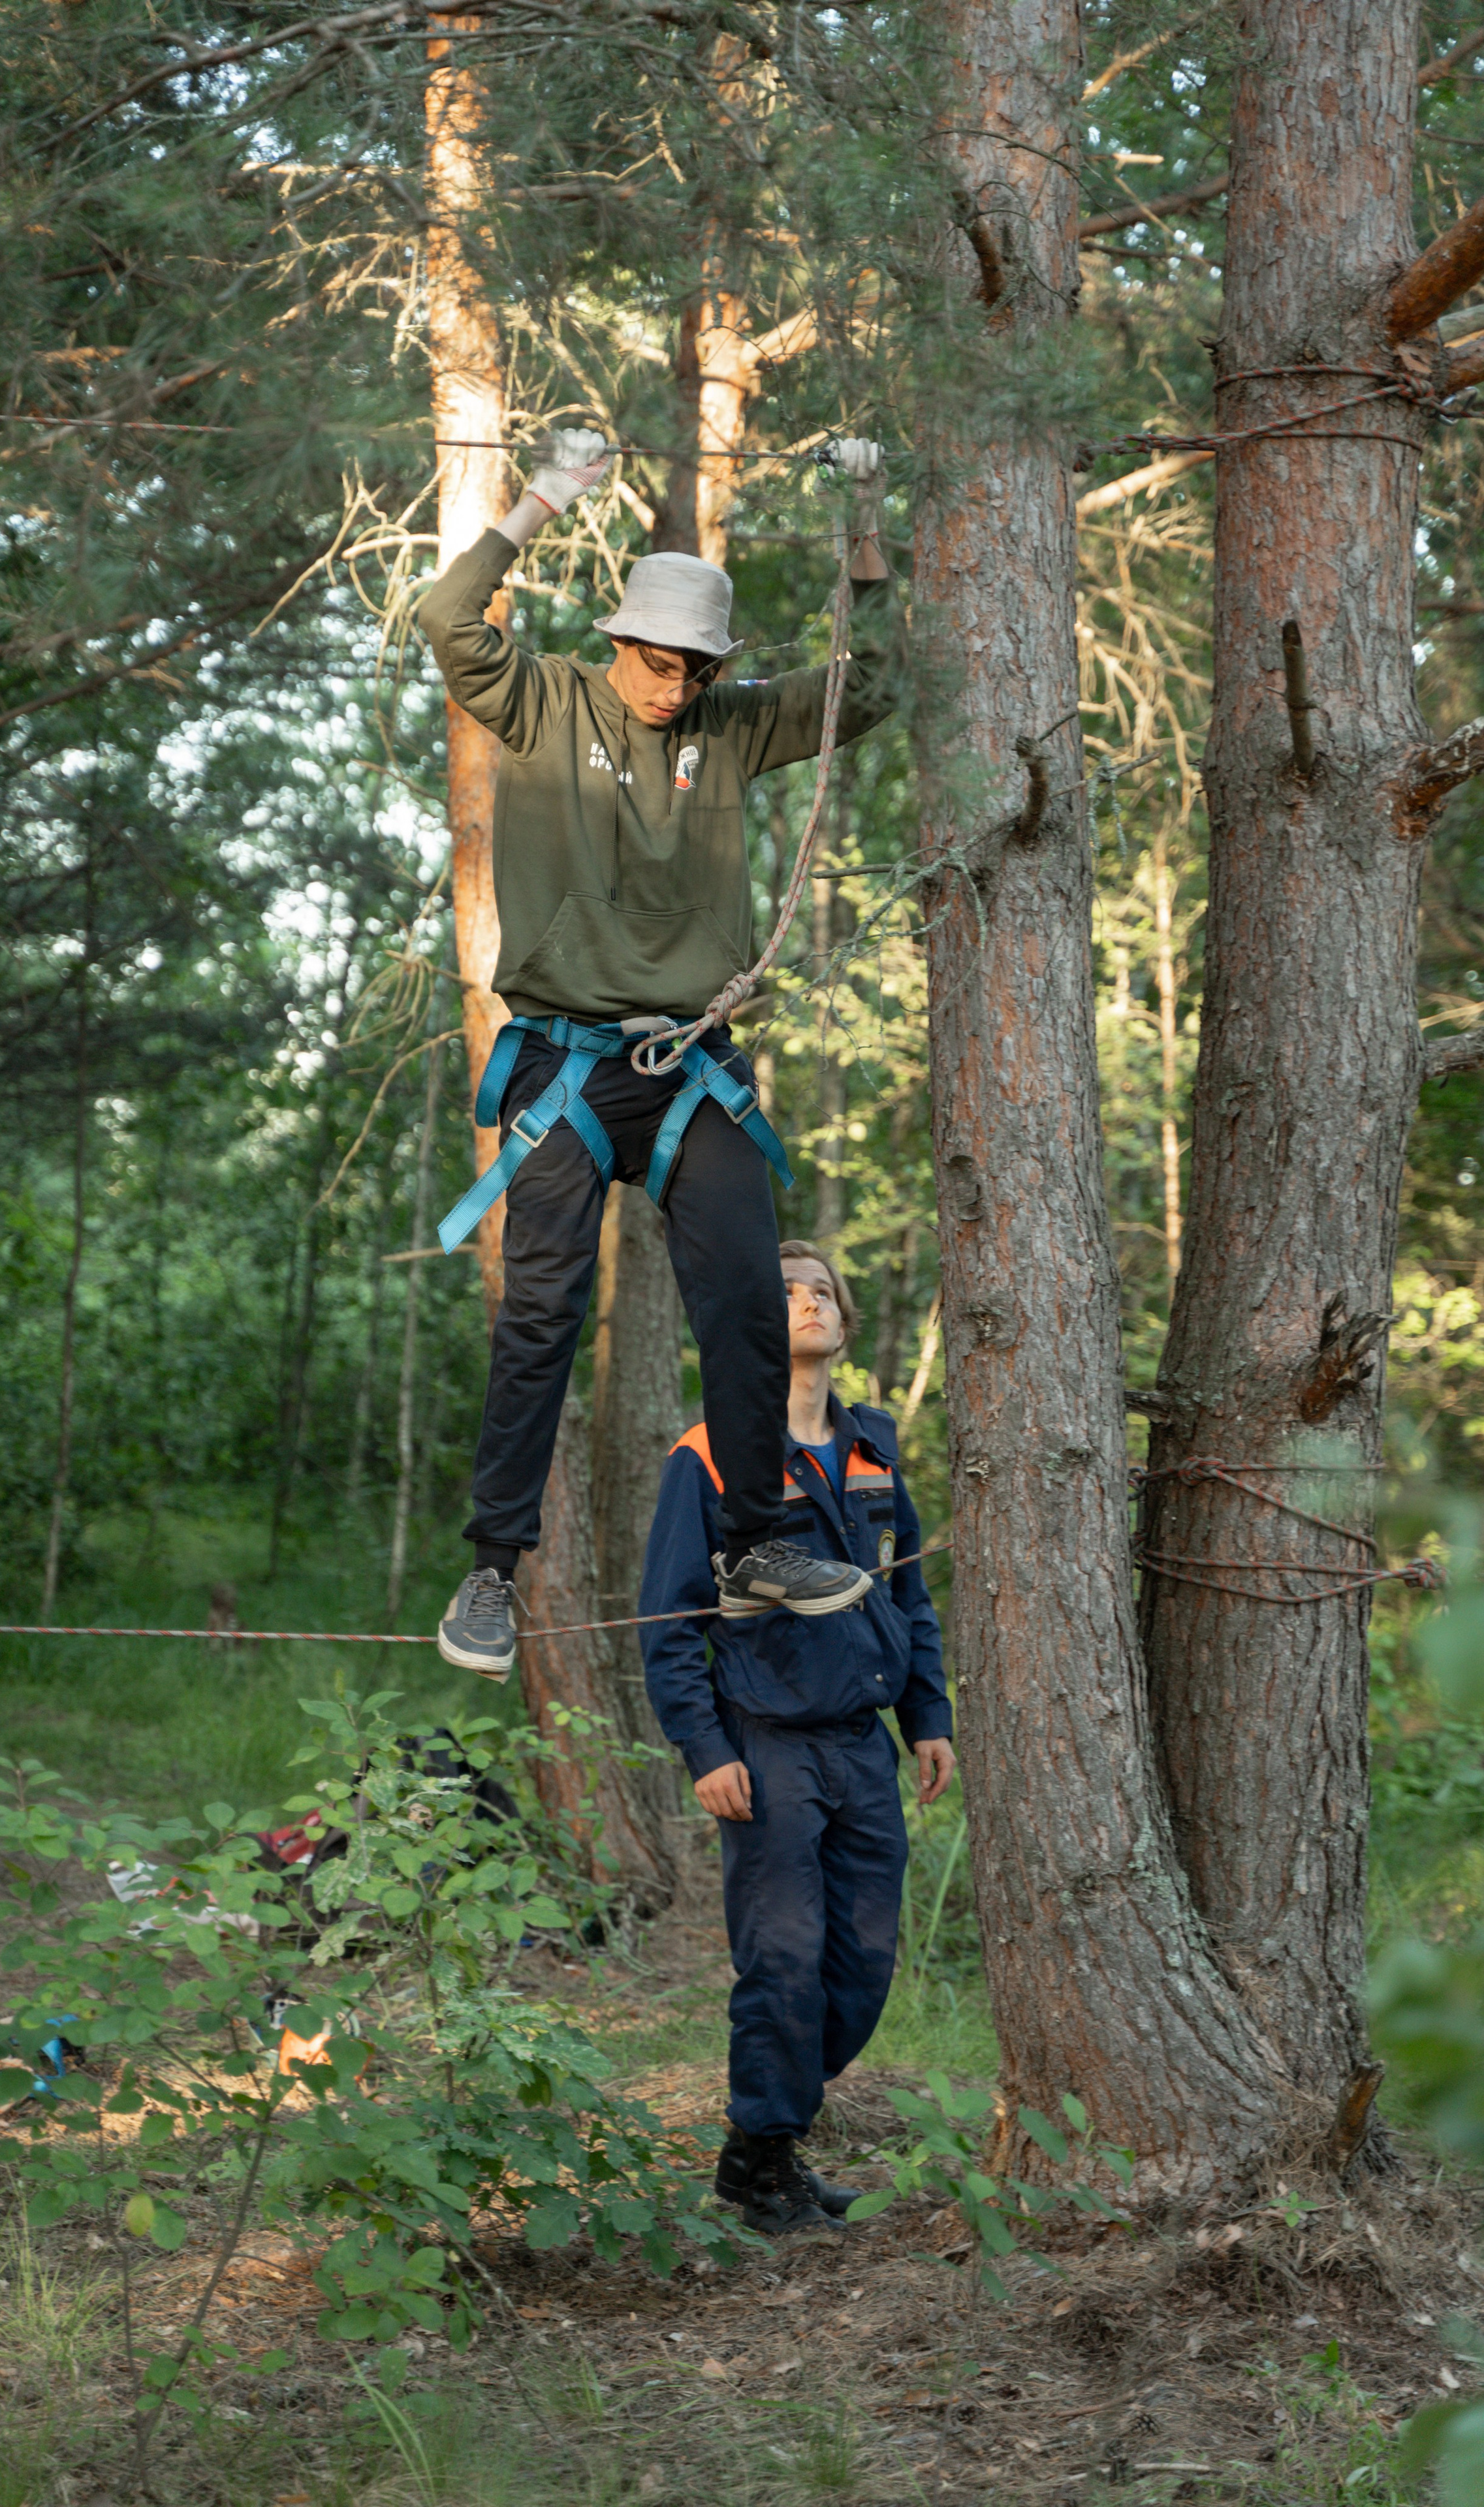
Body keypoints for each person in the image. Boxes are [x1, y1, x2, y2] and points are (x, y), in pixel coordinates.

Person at [417, 427, 899, 1679]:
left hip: (693, 1070)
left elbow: (881, 682)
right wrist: (541, 502)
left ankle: (754, 1544)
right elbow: (450, 614)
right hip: (564, 1071)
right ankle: (490, 1569)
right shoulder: (545, 697)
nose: (670, 677)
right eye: (653, 655)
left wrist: (866, 517)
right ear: (620, 640)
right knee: (542, 1315)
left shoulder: (731, 729)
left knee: (745, 1303)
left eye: (693, 662)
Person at [639, 1240, 955, 2235]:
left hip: (864, 1743)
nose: (809, 1303)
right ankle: (760, 2161)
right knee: (782, 1958)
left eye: (823, 1292)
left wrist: (928, 1716)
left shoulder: (874, 1449)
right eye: (785, 1292)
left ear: (843, 1322)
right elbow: (668, 1620)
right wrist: (706, 1750)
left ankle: (765, 2144)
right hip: (766, 1746)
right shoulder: (710, 1455)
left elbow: (910, 1590)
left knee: (862, 1961)